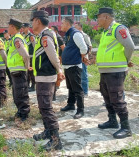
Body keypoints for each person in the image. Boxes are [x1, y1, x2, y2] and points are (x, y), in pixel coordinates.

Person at [96, 7, 135, 139]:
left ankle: (126, 128)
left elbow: (130, 46)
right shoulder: (105, 32)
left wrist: (125, 61)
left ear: (106, 17)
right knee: (107, 96)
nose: (97, 19)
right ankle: (112, 121)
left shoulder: (118, 28)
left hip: (116, 71)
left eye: (99, 16)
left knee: (117, 99)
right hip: (105, 71)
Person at [30, 10, 65, 151]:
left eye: (33, 20)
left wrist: (59, 70)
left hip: (46, 77)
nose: (32, 23)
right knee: (43, 106)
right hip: (42, 76)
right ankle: (48, 131)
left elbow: (52, 55)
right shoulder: (42, 36)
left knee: (46, 107)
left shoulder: (46, 36)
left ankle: (56, 140)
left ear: (38, 21)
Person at [60, 17, 88, 119]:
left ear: (67, 24)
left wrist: (80, 58)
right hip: (68, 66)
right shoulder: (68, 35)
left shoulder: (75, 34)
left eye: (62, 23)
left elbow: (84, 48)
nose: (61, 26)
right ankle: (70, 104)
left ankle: (80, 110)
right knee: (70, 87)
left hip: (74, 66)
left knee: (77, 89)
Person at [7, 19, 30, 121]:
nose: (7, 29)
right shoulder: (14, 38)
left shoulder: (17, 39)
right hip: (15, 70)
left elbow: (25, 55)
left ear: (12, 27)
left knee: (21, 93)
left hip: (19, 70)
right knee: (17, 93)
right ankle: (20, 111)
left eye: (8, 26)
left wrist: (26, 67)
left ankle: (24, 113)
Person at [74, 23, 92, 97]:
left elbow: (89, 46)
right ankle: (78, 91)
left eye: (76, 27)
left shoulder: (84, 35)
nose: (74, 28)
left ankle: (85, 91)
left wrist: (86, 56)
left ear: (80, 27)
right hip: (76, 58)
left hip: (83, 58)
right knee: (77, 76)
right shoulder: (74, 35)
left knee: (84, 75)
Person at [51, 26, 65, 101]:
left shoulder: (58, 38)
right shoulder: (52, 37)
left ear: (56, 31)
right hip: (54, 58)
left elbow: (63, 48)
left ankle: (54, 93)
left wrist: (61, 58)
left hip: (58, 58)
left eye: (52, 30)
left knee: (57, 75)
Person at [22, 23, 36, 92]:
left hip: (31, 56)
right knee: (26, 71)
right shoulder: (23, 36)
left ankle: (33, 86)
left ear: (28, 28)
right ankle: (27, 85)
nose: (23, 29)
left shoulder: (31, 36)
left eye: (24, 28)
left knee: (31, 71)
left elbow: (34, 46)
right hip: (26, 57)